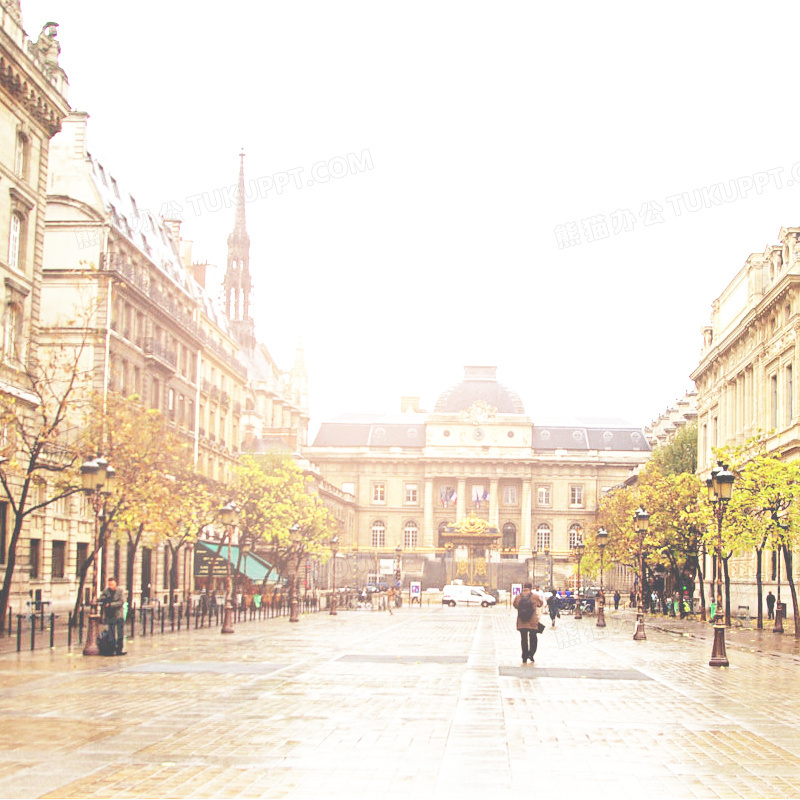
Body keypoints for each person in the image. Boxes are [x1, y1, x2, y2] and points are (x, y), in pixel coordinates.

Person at [513, 582, 543, 664]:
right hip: (532, 621)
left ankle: (524, 656)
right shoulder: (535, 596)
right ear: (531, 587)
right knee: (533, 638)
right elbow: (541, 604)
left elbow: (515, 605)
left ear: (523, 587)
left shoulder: (518, 596)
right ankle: (531, 654)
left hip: (521, 621)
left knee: (524, 639)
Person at [98, 577, 126, 655]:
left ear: (115, 584)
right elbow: (101, 598)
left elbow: (121, 602)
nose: (111, 586)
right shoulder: (106, 591)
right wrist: (104, 599)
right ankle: (111, 649)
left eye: (112, 584)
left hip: (118, 614)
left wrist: (110, 605)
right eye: (109, 584)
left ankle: (119, 649)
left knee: (120, 633)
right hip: (110, 615)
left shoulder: (120, 591)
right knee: (111, 633)